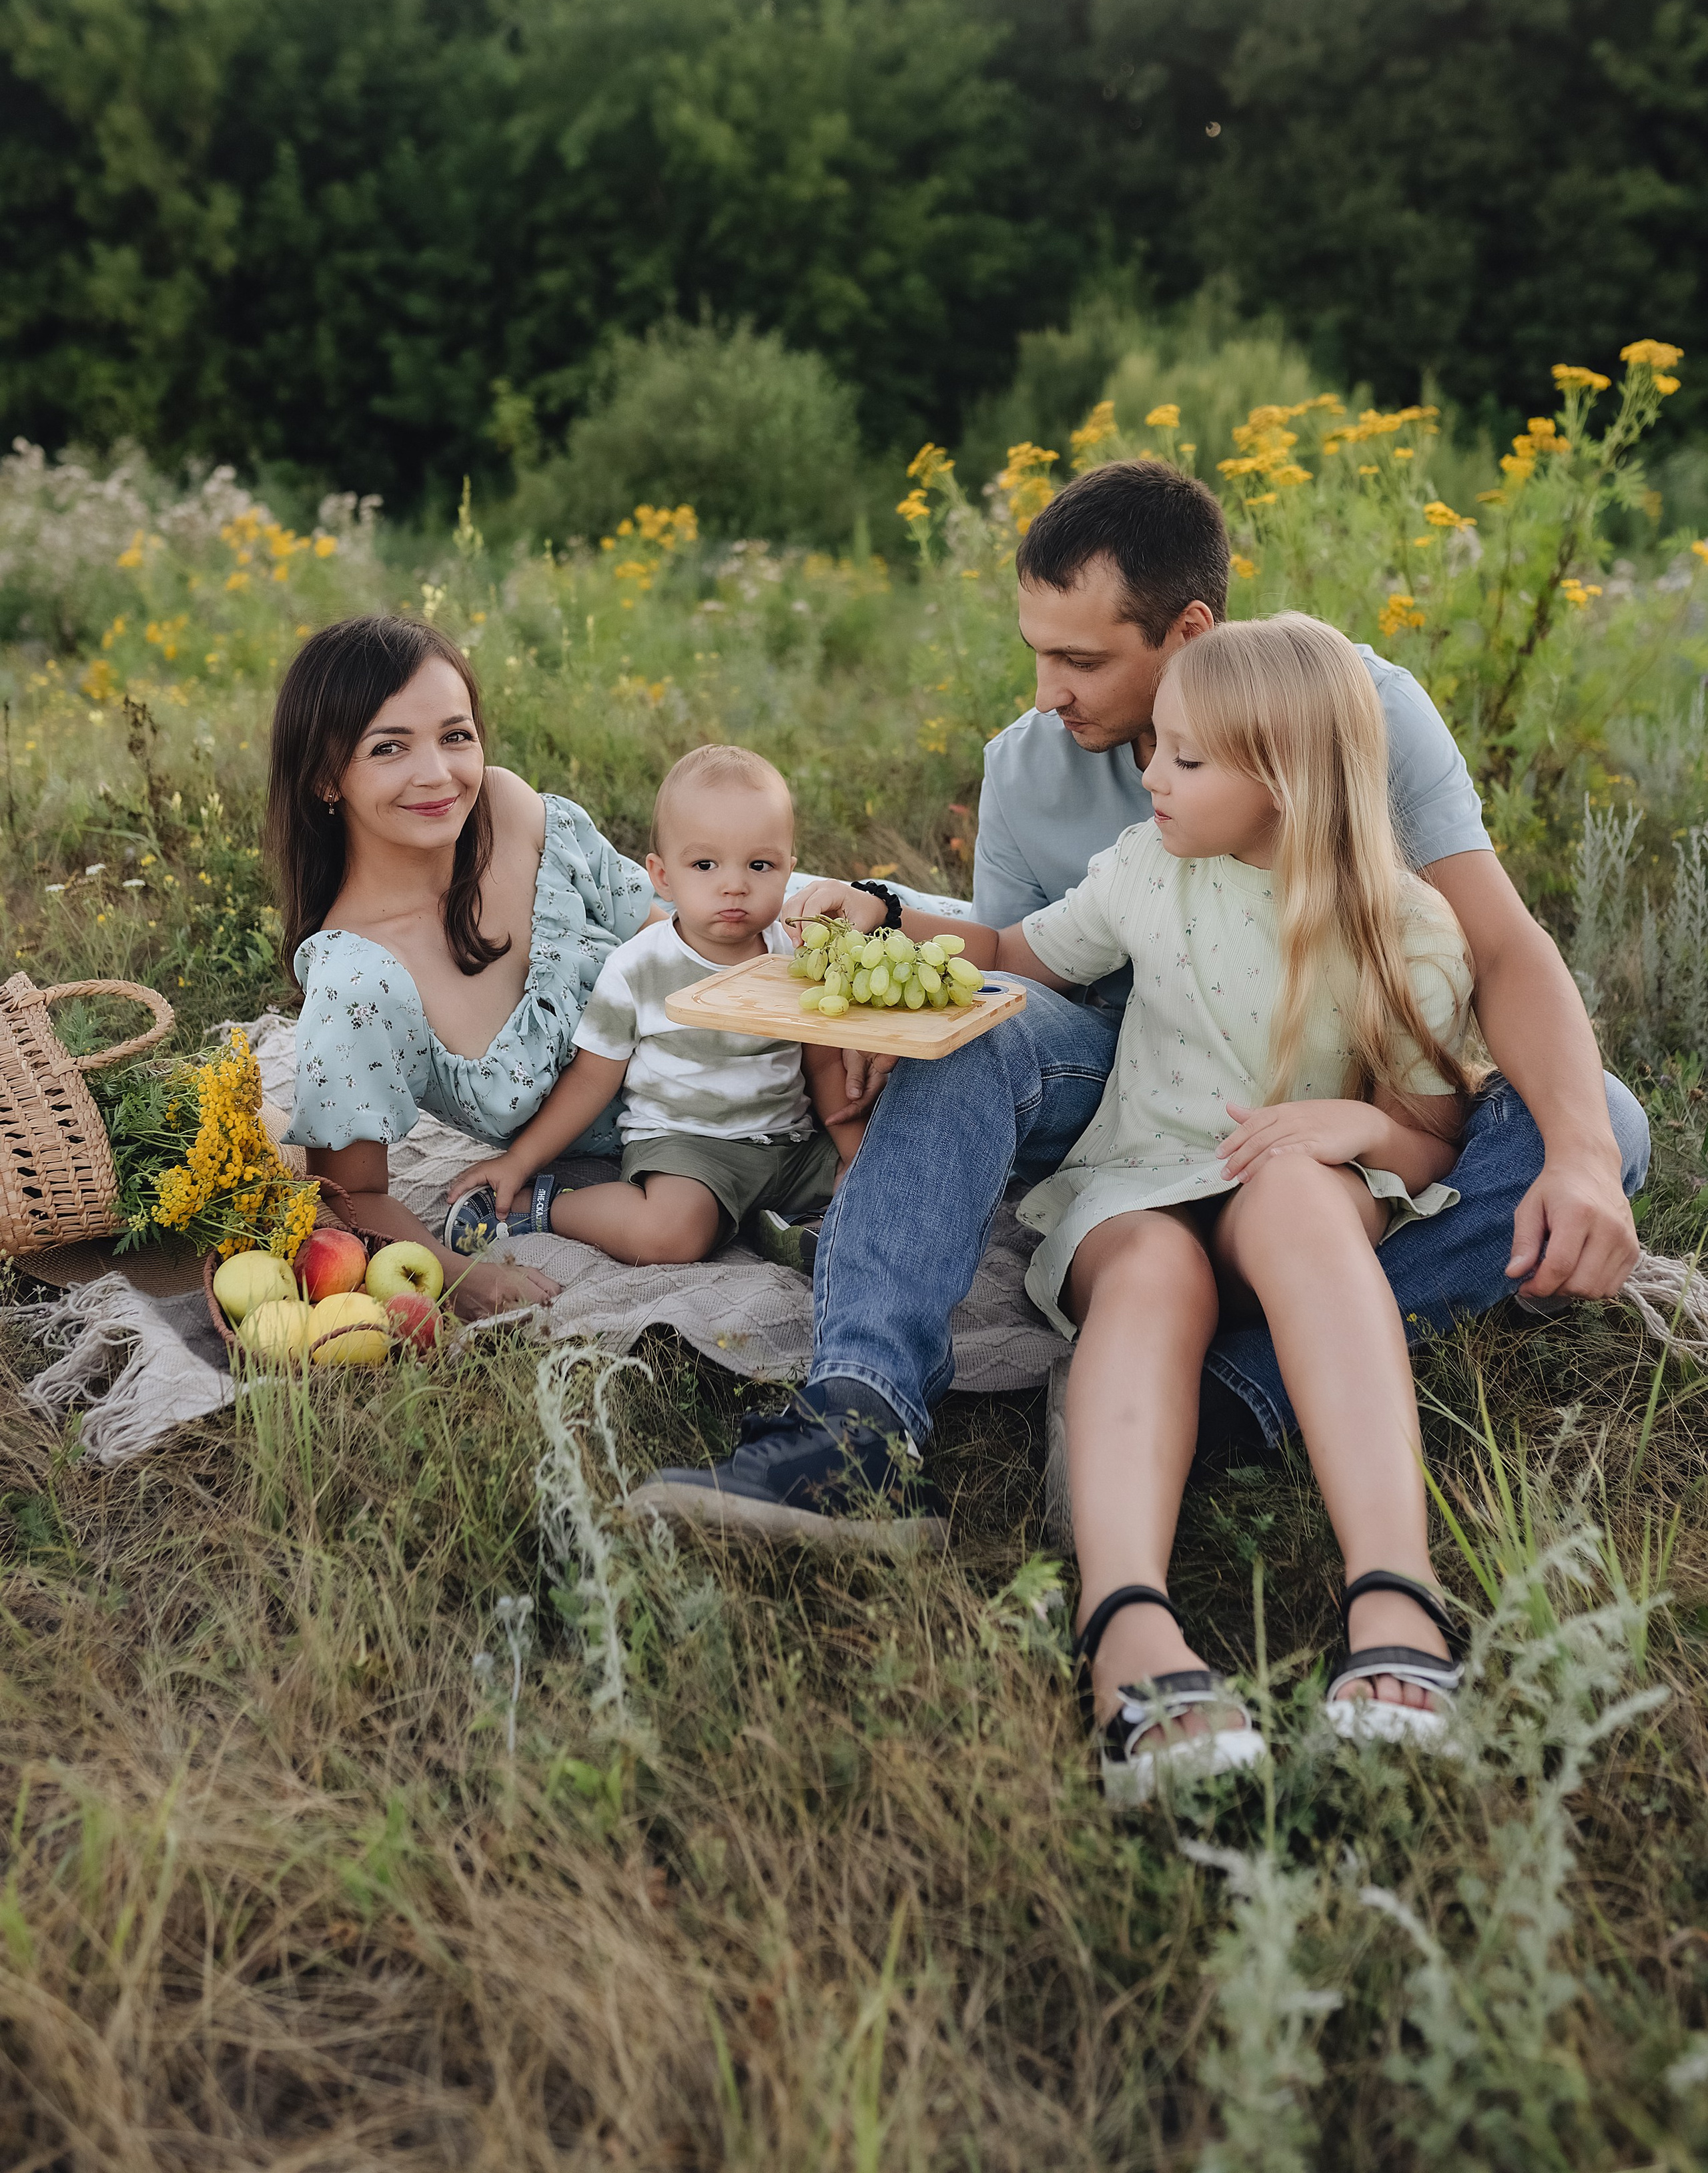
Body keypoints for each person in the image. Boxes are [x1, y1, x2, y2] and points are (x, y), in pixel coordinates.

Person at [634, 459, 1649, 1543]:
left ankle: (1232, 1391)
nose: (1045, 692)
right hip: (1128, 1076)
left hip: (1340, 1078)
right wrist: (883, 917)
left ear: (1191, 631)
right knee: (987, 1025)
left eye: (1080, 658)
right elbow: (1019, 960)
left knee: (1607, 1124)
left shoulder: (1351, 708)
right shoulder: (1029, 765)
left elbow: (1501, 943)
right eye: (1036, 652)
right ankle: (860, 1418)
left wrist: (1581, 1152)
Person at [1021, 616, 1475, 1799]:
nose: (1149, 775)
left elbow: (1427, 1136)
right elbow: (1014, 951)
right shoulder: (1139, 869)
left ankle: (1395, 1590)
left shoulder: (1406, 928)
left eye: (1186, 759)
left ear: (1283, 777)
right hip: (1141, 1184)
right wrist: (872, 912)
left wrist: (1361, 1126)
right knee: (1151, 1271)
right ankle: (1126, 1619)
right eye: (1156, 750)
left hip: (1289, 1194)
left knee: (1292, 1195)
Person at [268, 614, 655, 1318]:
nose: (438, 774)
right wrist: (456, 1273)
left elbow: (665, 922)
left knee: (899, 930)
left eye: (455, 735)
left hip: (740, 1017)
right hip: (683, 1144)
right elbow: (354, 1195)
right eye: (389, 747)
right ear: (326, 777)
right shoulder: (360, 981)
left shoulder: (508, 807)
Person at [440, 745, 852, 1269]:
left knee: (884, 1178)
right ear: (661, 875)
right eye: (705, 864)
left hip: (791, 1142)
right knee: (671, 1234)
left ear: (789, 870)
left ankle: (784, 1224)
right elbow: (593, 1080)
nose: (734, 884)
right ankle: (541, 1210)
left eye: (760, 865)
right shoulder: (639, 969)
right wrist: (520, 1161)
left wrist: (851, 1147)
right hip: (688, 1150)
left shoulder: (795, 954)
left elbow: (822, 1062)